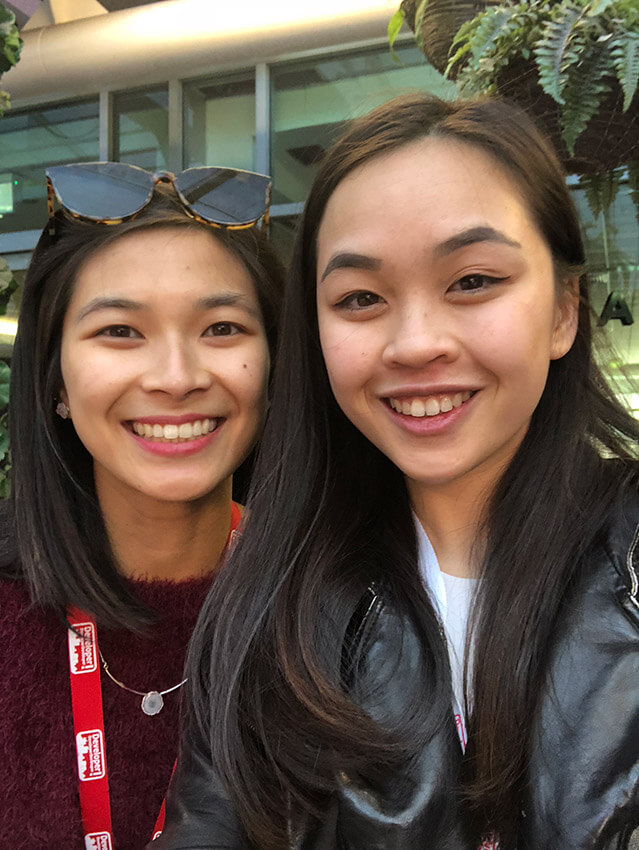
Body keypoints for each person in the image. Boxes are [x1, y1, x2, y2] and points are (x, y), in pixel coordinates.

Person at [152, 96, 639, 850]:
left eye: (473, 281)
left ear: (563, 311)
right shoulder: (266, 603)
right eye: (359, 298)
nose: (414, 344)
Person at [0, 163, 283, 850]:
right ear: (54, 379)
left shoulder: (333, 610)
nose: (177, 378)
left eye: (221, 329)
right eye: (120, 332)